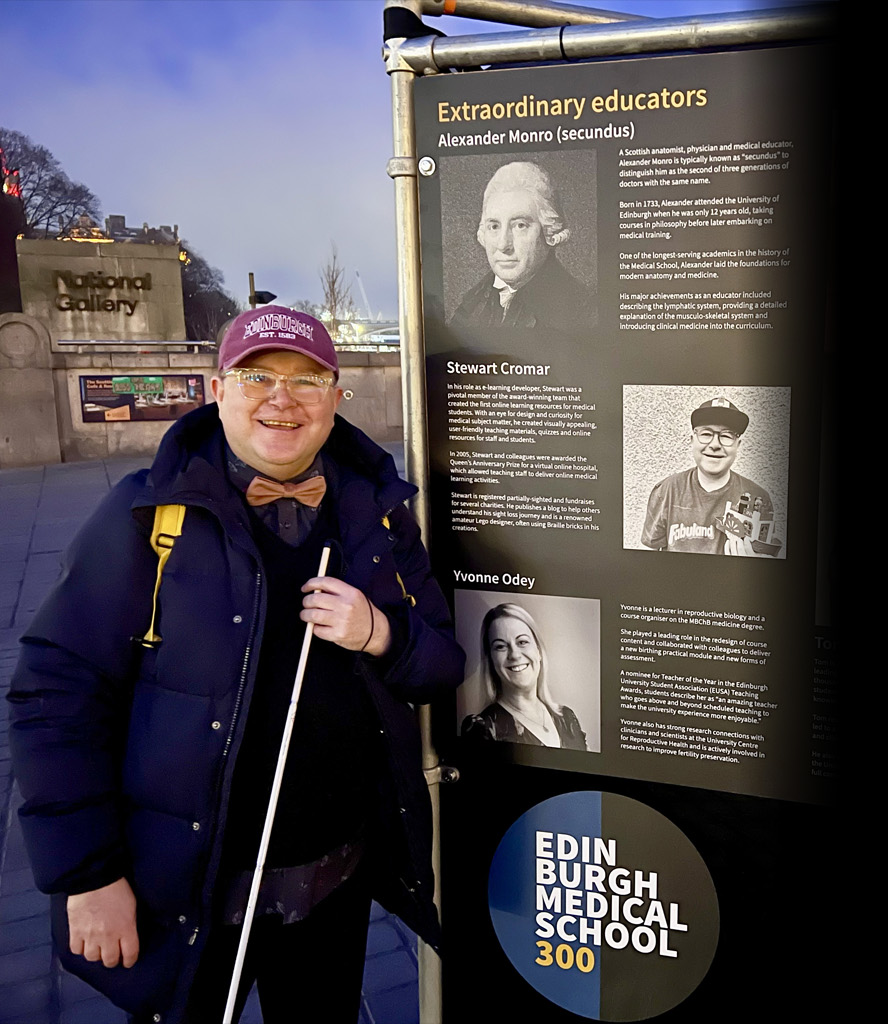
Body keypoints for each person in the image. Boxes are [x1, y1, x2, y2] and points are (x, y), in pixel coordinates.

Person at [8, 305, 463, 1023]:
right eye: (257, 376)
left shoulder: (376, 515)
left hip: (330, 881)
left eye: (307, 381)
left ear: (336, 399)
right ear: (216, 391)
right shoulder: (146, 516)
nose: (282, 399)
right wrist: (87, 878)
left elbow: (440, 668)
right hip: (186, 894)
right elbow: (54, 695)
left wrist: (379, 631)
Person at [452, 160, 596, 331]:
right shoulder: (472, 305)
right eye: (494, 226)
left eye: (520, 225)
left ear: (548, 231)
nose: (503, 244)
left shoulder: (581, 311)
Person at [640, 396, 783, 557]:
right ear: (692, 440)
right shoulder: (666, 491)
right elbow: (653, 552)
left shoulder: (759, 499)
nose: (715, 445)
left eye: (727, 436)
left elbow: (766, 556)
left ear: (738, 445)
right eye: (706, 434)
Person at [460, 603, 587, 749]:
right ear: (490, 660)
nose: (514, 655)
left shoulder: (567, 717)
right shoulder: (482, 728)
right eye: (500, 646)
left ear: (538, 650)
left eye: (522, 642)